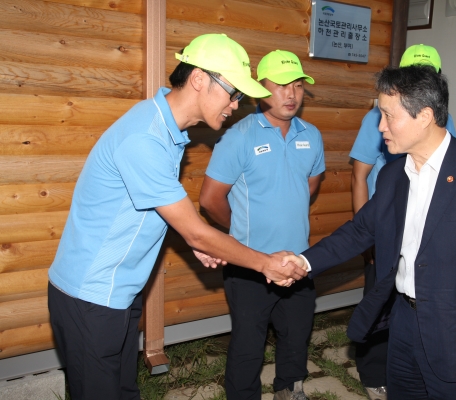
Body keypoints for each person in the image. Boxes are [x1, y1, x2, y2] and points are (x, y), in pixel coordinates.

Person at [47, 35, 307, 400]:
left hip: (117, 293)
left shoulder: (167, 132)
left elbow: (149, 209)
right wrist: (264, 263)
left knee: (122, 390)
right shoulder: (146, 138)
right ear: (200, 79)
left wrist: (189, 237)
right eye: (233, 93)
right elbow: (198, 231)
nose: (237, 105)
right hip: (91, 296)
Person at [284, 65, 456, 399]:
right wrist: (302, 263)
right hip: (403, 325)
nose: (380, 126)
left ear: (424, 116)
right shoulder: (393, 175)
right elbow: (359, 231)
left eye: (387, 116)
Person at [199, 50, 324, 400]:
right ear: (259, 89)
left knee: (297, 333)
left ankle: (289, 388)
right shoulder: (238, 136)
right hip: (250, 265)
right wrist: (238, 233)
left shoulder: (311, 136)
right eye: (282, 85)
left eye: (298, 85)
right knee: (248, 342)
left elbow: (309, 186)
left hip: (299, 261)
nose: (292, 94)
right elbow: (210, 199)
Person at [349, 43, 456, 400]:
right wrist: (370, 237)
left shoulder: (444, 121)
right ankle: (373, 372)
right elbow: (359, 175)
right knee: (379, 302)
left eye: (426, 75)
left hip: (427, 236)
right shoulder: (380, 121)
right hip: (388, 226)